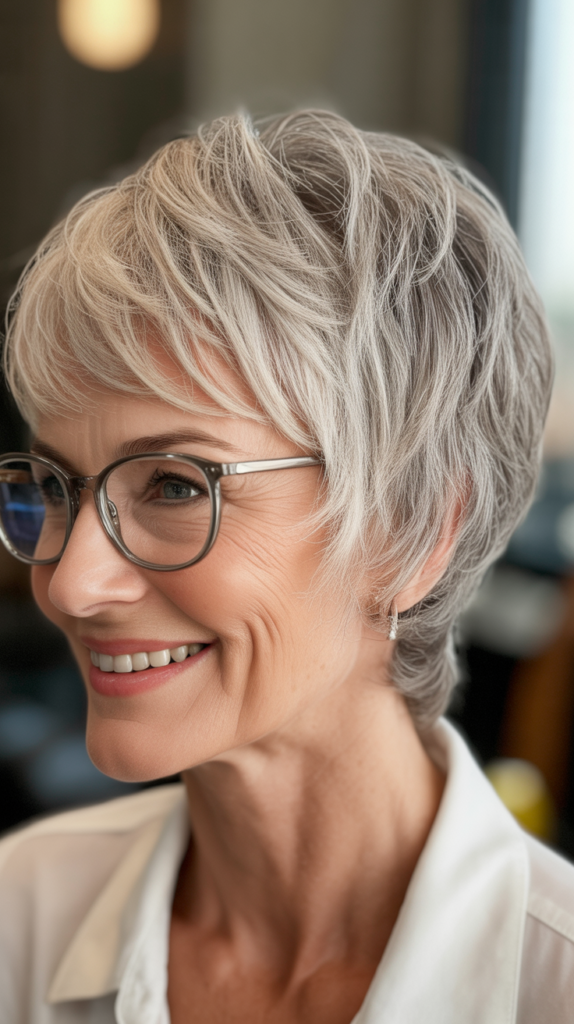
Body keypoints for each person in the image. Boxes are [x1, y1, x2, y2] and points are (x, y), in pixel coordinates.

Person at [0, 109, 568, 1024]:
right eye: (59, 488)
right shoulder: (18, 918)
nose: (71, 584)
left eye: (177, 487)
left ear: (413, 530)